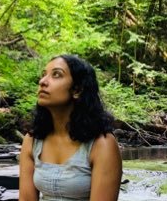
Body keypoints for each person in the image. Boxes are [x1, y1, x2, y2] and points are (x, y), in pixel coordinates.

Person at [19, 54, 122, 201]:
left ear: (77, 90)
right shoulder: (32, 140)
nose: (42, 81)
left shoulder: (102, 144)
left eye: (56, 75)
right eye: (43, 75)